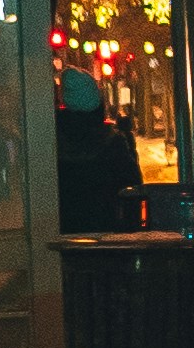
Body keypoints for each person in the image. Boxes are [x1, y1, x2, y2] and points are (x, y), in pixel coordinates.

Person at [54, 61, 147, 236]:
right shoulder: (113, 141)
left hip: (65, 232)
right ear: (98, 103)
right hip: (108, 233)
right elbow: (133, 186)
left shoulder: (53, 142)